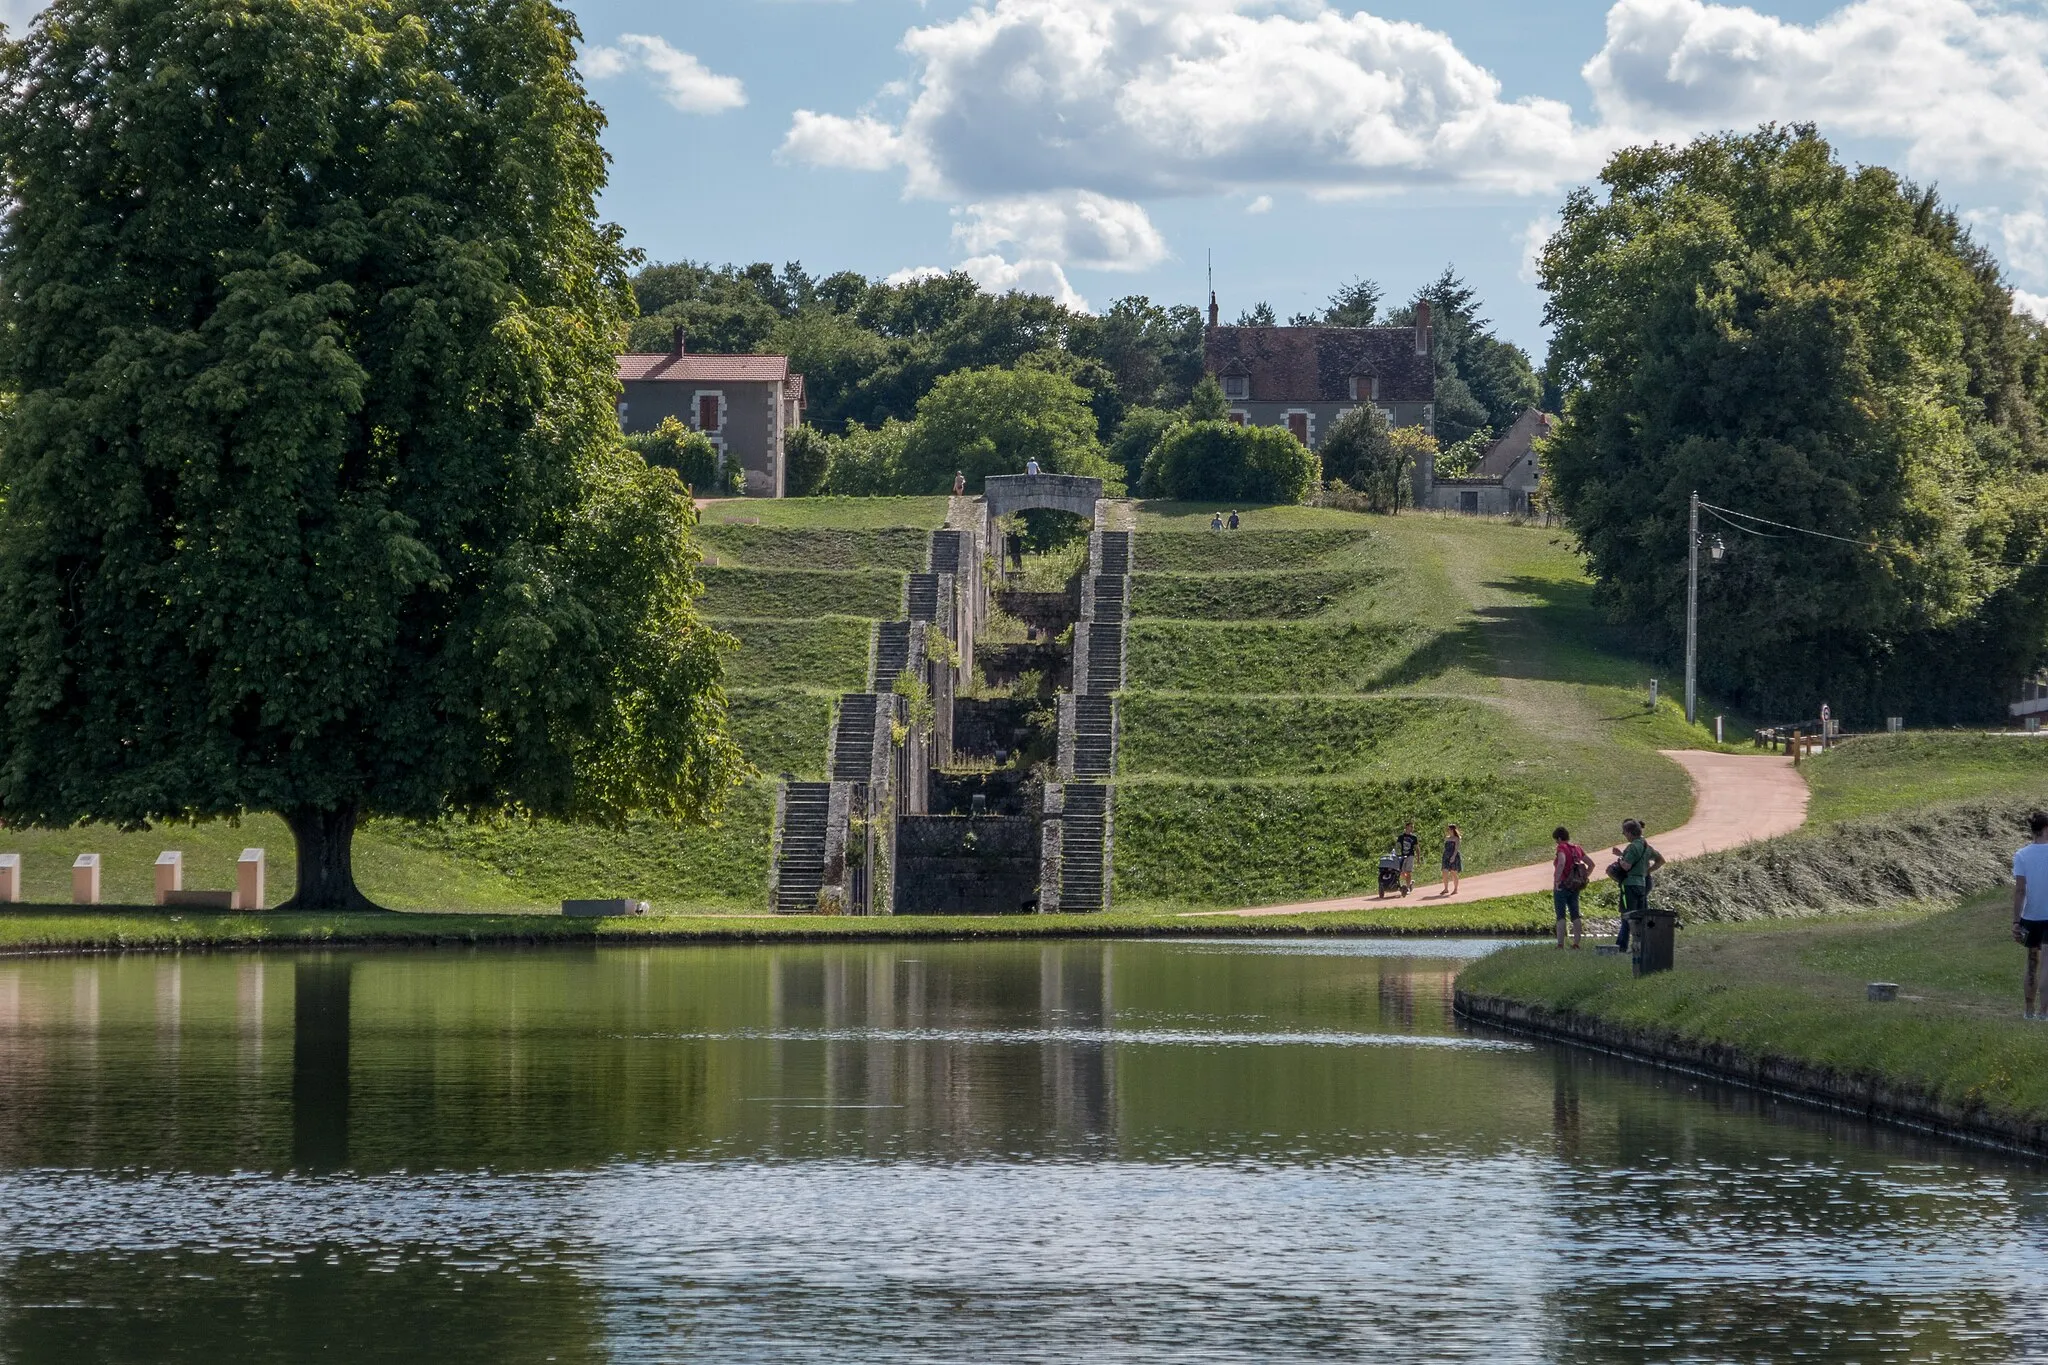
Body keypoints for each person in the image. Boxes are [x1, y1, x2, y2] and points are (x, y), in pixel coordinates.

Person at [2013, 810, 2048, 1018]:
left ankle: (2028, 1011)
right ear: (2045, 829)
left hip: (2031, 916)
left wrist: (2016, 921)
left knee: (2032, 962)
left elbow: (2019, 890)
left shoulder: (2022, 855)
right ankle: (2044, 1012)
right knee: (2047, 965)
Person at [1612, 818, 1664, 950]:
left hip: (1629, 884)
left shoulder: (1633, 846)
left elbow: (1627, 866)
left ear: (1629, 833)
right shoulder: (1646, 846)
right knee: (1640, 916)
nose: (1624, 836)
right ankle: (1641, 945)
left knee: (1627, 915)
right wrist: (1647, 871)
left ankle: (1621, 946)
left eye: (1624, 833)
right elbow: (1660, 860)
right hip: (1641, 883)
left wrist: (1620, 860)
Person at [1552, 826, 1593, 949]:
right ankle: (1576, 944)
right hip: (1575, 886)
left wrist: (1557, 880)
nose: (1556, 842)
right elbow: (1591, 864)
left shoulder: (1561, 848)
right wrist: (1583, 878)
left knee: (1561, 915)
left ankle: (1560, 944)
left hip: (1563, 884)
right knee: (1575, 914)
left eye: (1556, 840)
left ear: (1559, 838)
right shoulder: (1577, 848)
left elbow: (1562, 862)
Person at [1394, 820, 1420, 896]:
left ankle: (1408, 888)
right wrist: (1395, 854)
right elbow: (1397, 846)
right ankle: (1410, 883)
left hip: (1410, 856)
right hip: (1402, 856)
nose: (1412, 828)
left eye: (1413, 827)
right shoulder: (1401, 837)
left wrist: (1418, 858)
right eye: (1411, 826)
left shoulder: (1414, 837)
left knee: (1408, 872)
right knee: (1401, 873)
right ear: (1406, 827)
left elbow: (1417, 848)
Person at [1439, 823, 1463, 896]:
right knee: (1444, 872)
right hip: (1446, 856)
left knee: (1453, 872)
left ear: (1452, 830)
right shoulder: (1447, 838)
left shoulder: (1456, 838)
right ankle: (1446, 888)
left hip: (1454, 856)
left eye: (1449, 829)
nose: (1448, 830)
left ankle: (1455, 889)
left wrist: (1453, 856)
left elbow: (1456, 848)